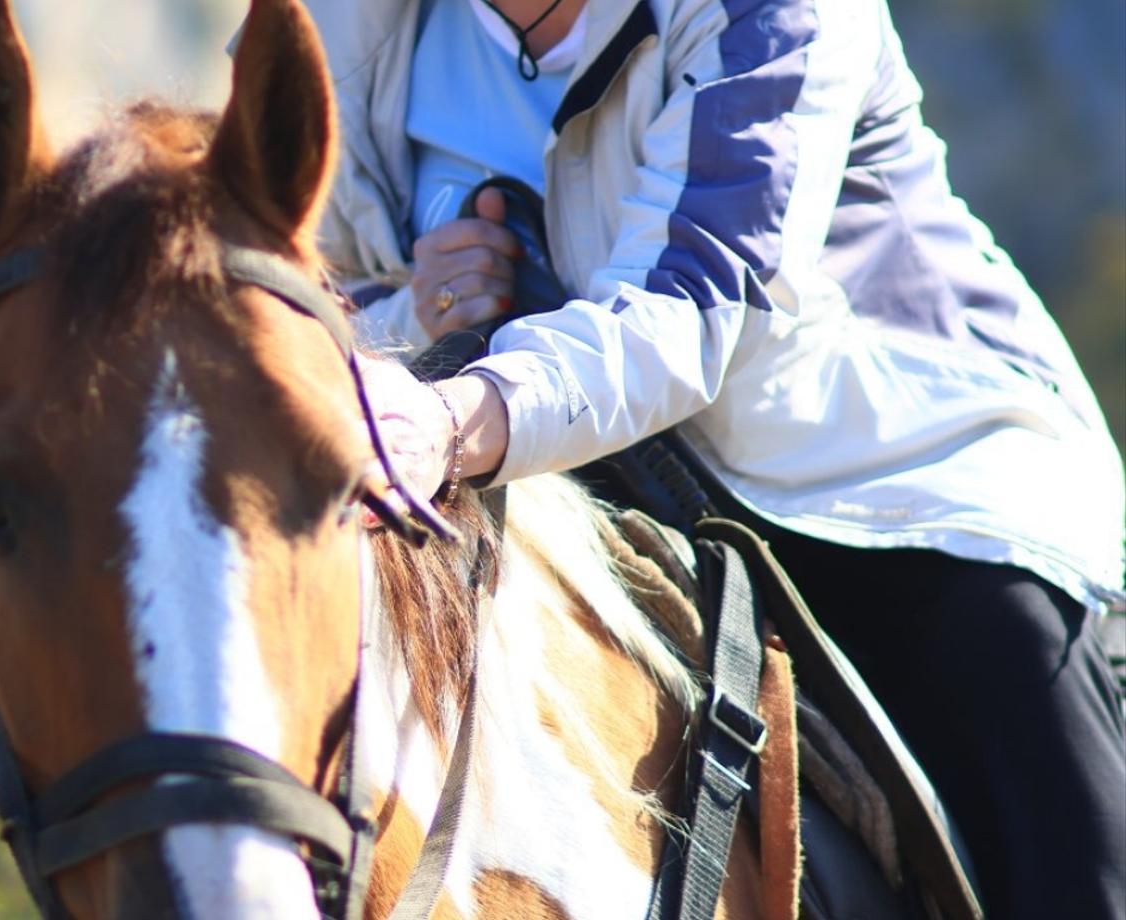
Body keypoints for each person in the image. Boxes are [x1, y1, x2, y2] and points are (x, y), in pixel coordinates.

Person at [291, 0, 1126, 915]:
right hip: (569, 497)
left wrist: (453, 418)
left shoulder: (781, 13)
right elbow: (313, 299)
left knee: (1038, 758)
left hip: (891, 489)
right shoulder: (343, 25)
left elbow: (698, 297)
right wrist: (420, 308)